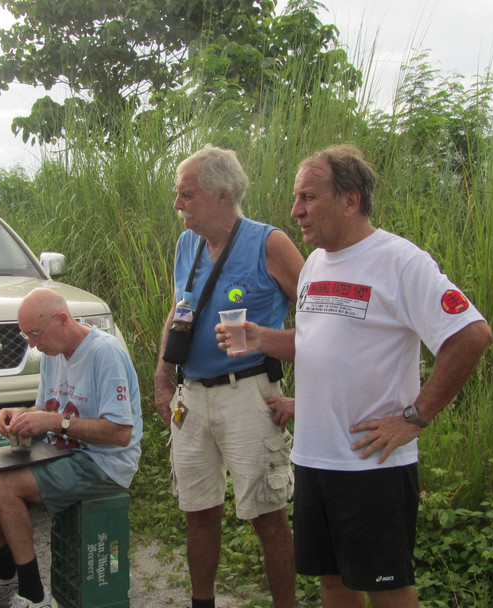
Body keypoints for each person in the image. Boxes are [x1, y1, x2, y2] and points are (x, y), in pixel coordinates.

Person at [220, 144, 493, 607]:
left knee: (386, 587)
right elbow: (317, 344)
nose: (296, 210)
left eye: (309, 197)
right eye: (297, 197)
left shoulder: (400, 261)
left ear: (350, 200)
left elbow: (471, 334)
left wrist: (414, 417)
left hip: (372, 464)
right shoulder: (315, 265)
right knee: (333, 582)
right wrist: (261, 338)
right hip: (315, 457)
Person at [152, 145, 303, 608]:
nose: (177, 204)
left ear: (221, 195)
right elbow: (178, 311)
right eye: (178, 194)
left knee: (267, 516)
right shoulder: (187, 243)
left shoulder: (269, 244)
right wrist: (162, 378)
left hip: (249, 394)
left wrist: (302, 397)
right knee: (197, 511)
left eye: (187, 194)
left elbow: (324, 324)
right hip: (192, 395)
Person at [0, 287, 142, 608]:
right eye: (26, 335)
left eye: (35, 333)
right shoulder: (52, 354)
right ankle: (4, 578)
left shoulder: (104, 353)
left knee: (2, 485)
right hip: (62, 452)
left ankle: (34, 595)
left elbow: (120, 434)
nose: (31, 343)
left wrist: (54, 423)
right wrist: (20, 415)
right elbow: (43, 410)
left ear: (62, 320)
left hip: (103, 462)